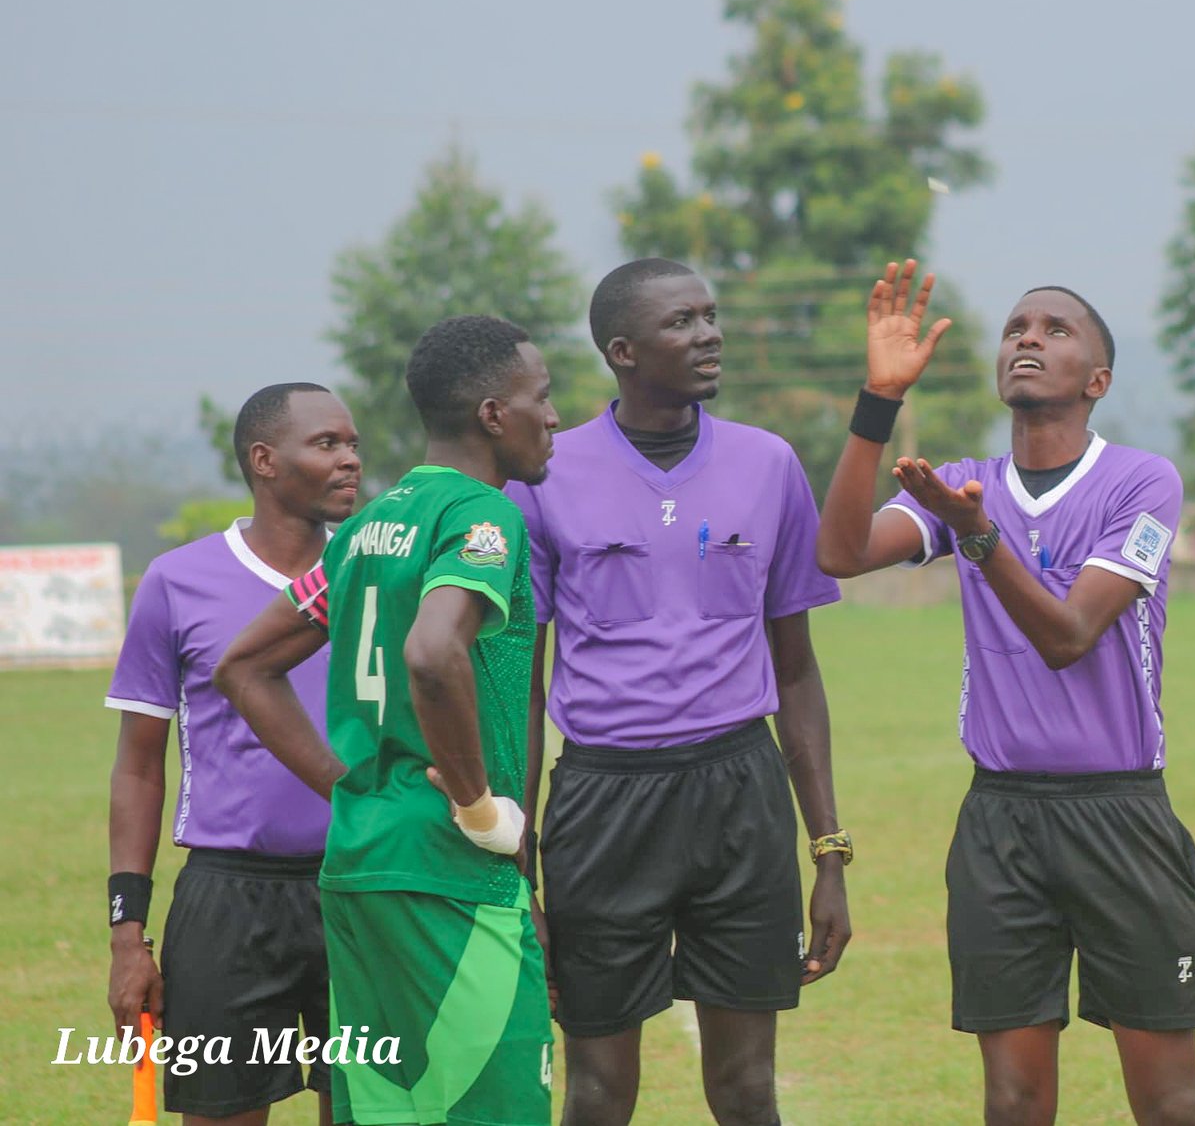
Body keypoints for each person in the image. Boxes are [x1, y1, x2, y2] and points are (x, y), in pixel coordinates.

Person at [816, 260, 1195, 1126]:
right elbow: (839, 552)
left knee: (1169, 1099)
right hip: (999, 822)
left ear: (1098, 379)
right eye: (1016, 327)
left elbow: (1069, 636)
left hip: (1121, 815)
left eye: (1054, 329)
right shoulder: (966, 481)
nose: (1027, 336)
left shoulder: (1142, 483)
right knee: (1014, 1097)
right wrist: (877, 403)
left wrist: (978, 536)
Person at [505, 258, 848, 1126]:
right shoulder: (544, 476)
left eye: (711, 315)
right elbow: (523, 684)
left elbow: (798, 671)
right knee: (596, 1090)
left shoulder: (769, 464)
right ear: (622, 351)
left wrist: (829, 851)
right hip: (602, 799)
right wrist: (521, 863)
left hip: (740, 791)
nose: (709, 334)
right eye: (682, 322)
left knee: (746, 1089)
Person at [218, 315, 560, 1126]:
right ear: (490, 413)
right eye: (540, 397)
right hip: (448, 869)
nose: (553, 417)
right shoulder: (482, 517)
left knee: (392, 1112)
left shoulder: (369, 526)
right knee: (495, 1108)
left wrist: (356, 788)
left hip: (362, 863)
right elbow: (432, 650)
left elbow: (244, 666)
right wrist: (481, 810)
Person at [106, 383, 359, 1125]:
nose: (350, 460)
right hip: (228, 899)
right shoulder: (175, 580)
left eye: (352, 443)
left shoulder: (376, 570)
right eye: (326, 444)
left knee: (372, 1109)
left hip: (362, 885)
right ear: (264, 461)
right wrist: (128, 932)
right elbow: (138, 765)